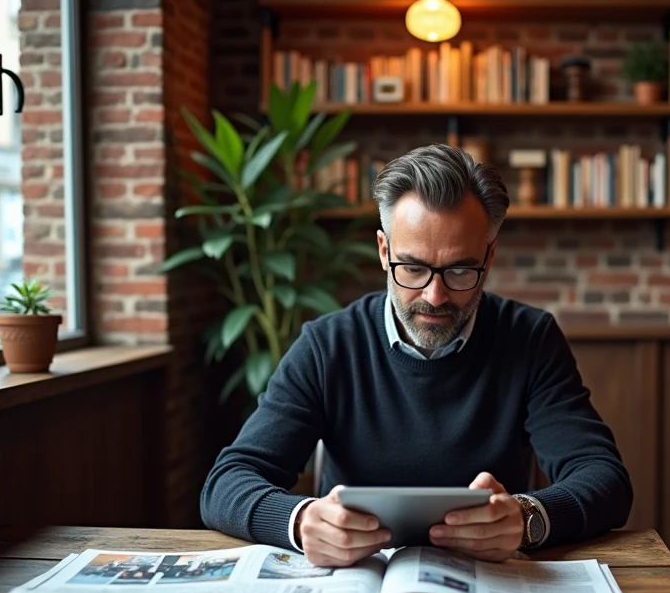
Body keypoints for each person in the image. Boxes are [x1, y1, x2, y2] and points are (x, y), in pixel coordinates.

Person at [200, 144, 632, 566]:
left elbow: (604, 478)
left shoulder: (530, 339)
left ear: (490, 255)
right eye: (413, 268)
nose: (434, 295)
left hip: (494, 588)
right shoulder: (327, 345)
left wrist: (528, 518)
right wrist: (299, 521)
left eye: (461, 270)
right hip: (353, 588)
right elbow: (227, 482)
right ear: (384, 251)